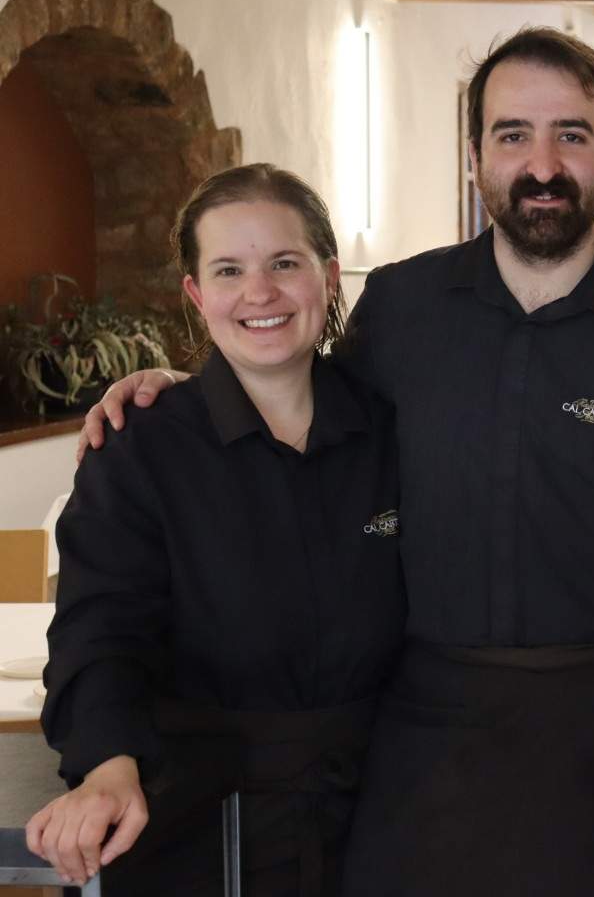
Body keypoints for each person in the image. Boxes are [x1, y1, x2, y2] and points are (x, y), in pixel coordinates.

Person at [77, 28, 594, 897]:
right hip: (412, 738)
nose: (541, 164)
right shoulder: (402, 306)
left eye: (570, 136)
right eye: (512, 135)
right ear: (475, 157)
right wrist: (187, 385)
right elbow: (305, 409)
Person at [27, 164, 404, 895]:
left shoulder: (392, 429)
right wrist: (107, 766)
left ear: (328, 278)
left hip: (382, 818)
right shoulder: (139, 449)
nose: (259, 293)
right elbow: (98, 631)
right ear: (197, 296)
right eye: (229, 270)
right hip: (198, 826)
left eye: (284, 264)